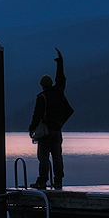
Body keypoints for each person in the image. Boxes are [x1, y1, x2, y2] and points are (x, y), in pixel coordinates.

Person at [27, 48, 71, 189]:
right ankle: (58, 181)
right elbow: (61, 77)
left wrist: (31, 129)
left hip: (45, 131)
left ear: (42, 85)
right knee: (57, 157)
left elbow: (37, 115)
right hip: (57, 130)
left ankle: (42, 181)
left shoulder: (42, 97)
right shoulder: (58, 91)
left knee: (43, 157)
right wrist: (60, 62)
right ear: (50, 84)